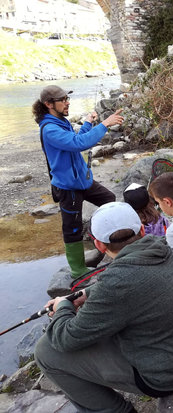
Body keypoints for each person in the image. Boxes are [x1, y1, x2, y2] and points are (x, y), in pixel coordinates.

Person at [34, 202, 173, 412]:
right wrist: (87, 294)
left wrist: (63, 307)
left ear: (98, 245)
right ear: (142, 230)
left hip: (165, 376)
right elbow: (136, 286)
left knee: (45, 351)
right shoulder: (162, 248)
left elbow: (65, 338)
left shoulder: (118, 283)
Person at [32, 85, 124, 279]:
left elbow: (75, 140)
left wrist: (88, 124)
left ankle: (105, 244)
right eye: (62, 99)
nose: (67, 102)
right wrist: (105, 123)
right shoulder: (49, 129)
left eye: (67, 98)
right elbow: (78, 144)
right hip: (68, 187)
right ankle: (78, 270)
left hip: (82, 181)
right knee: (72, 229)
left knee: (109, 199)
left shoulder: (59, 122)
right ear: (49, 104)